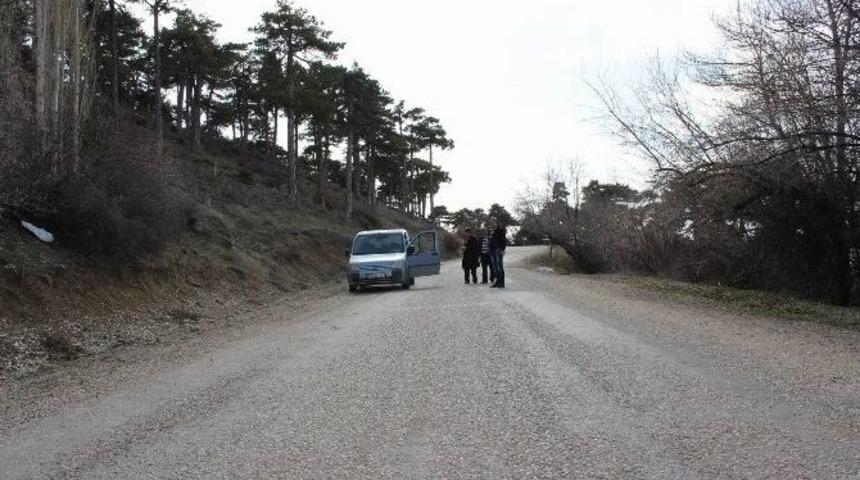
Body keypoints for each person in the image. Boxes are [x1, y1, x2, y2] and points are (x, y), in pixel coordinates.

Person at [489, 218, 507, 288]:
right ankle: (498, 281)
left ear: (497, 223)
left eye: (494, 222)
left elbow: (504, 241)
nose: (492, 224)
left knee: (500, 267)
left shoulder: (501, 230)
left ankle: (502, 283)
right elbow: (491, 241)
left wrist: (502, 249)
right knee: (495, 267)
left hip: (498, 250)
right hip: (492, 251)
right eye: (491, 222)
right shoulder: (491, 231)